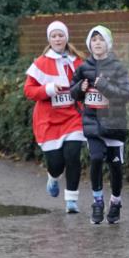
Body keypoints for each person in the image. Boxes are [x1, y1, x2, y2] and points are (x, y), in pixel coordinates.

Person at [69, 25, 129, 225]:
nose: (97, 43)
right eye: (94, 39)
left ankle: (115, 201)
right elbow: (72, 92)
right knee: (96, 159)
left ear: (108, 43)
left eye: (101, 39)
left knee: (115, 167)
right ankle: (97, 202)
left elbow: (126, 94)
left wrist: (104, 85)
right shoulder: (83, 67)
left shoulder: (118, 67)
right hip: (93, 124)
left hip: (114, 124)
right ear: (89, 44)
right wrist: (80, 88)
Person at [24, 21, 85, 213]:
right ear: (49, 40)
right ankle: (53, 176)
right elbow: (29, 91)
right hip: (48, 120)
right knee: (57, 163)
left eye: (61, 35)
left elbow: (89, 85)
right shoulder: (40, 63)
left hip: (73, 117)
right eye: (54, 36)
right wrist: (49, 88)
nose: (58, 39)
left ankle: (71, 200)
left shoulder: (78, 61)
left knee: (73, 155)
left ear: (66, 37)